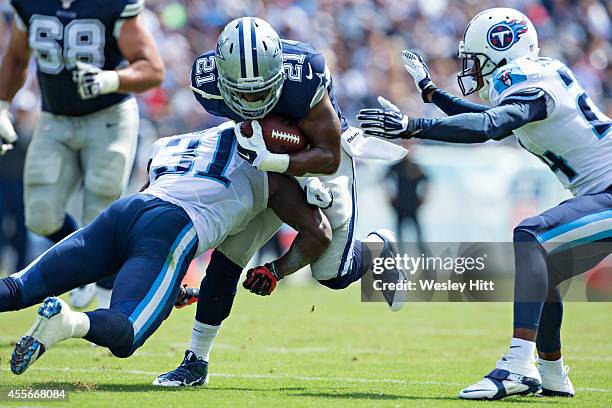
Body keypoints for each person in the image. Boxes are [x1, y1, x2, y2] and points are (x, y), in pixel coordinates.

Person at [357, 7, 611, 401]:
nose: (471, 69)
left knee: (532, 237)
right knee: (547, 269)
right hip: (603, 192)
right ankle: (551, 373)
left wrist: (413, 125)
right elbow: (489, 120)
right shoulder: (537, 77)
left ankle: (517, 367)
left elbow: (488, 126)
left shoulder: (529, 76)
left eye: (475, 58)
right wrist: (430, 93)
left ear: (502, 47)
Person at [153, 16, 408, 387]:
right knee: (227, 259)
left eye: (262, 93)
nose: (253, 102)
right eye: (244, 94)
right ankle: (196, 362)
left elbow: (329, 155)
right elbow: (246, 132)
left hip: (316, 162)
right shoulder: (206, 82)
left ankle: (378, 249)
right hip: (259, 162)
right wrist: (261, 157)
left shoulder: (304, 75)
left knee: (330, 275)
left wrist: (274, 161)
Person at [0, 121, 332, 376]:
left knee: (17, 288)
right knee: (127, 332)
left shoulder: (176, 142)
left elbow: (138, 225)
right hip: (170, 231)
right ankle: (69, 323)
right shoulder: (267, 170)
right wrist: (276, 270)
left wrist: (167, 284)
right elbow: (319, 233)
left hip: (124, 212)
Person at [0, 0, 165, 309]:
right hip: (54, 119)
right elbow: (17, 57)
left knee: (101, 209)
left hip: (108, 118)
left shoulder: (112, 4)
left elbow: (153, 69)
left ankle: (105, 304)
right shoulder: (30, 3)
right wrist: (1, 106)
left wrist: (111, 79)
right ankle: (85, 265)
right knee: (40, 215)